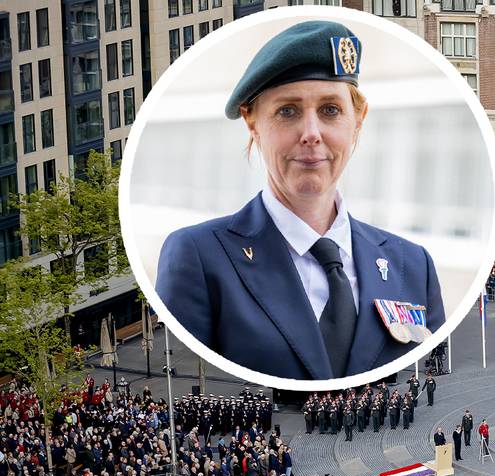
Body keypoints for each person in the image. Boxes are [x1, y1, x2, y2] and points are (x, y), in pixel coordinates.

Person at [155, 20, 445, 380]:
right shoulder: (199, 257)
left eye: (330, 110)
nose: (311, 134)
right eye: (287, 111)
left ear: (358, 120)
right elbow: (189, 378)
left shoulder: (412, 266)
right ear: (252, 122)